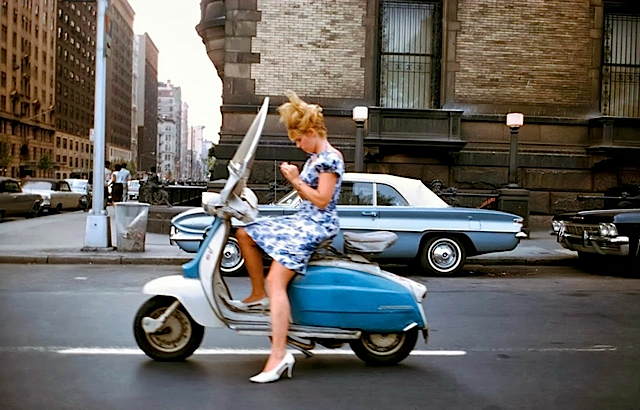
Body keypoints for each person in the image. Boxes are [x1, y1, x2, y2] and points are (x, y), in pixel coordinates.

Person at [233, 91, 344, 383]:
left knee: (276, 281)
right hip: (302, 220)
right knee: (245, 231)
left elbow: (322, 200)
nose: (298, 145)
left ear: (309, 132)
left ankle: (279, 354)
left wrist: (294, 180)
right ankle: (258, 295)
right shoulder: (316, 157)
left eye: (298, 140)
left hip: (315, 225)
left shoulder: (329, 159)